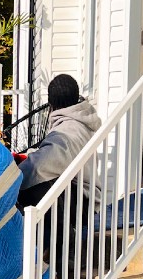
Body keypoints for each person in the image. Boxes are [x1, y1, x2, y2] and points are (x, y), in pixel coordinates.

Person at [17, 74, 101, 211]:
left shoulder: (64, 132)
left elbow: (37, 166)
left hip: (81, 204)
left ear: (51, 103)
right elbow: (57, 156)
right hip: (88, 198)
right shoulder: (81, 123)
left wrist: (10, 182)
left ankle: (60, 231)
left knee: (35, 186)